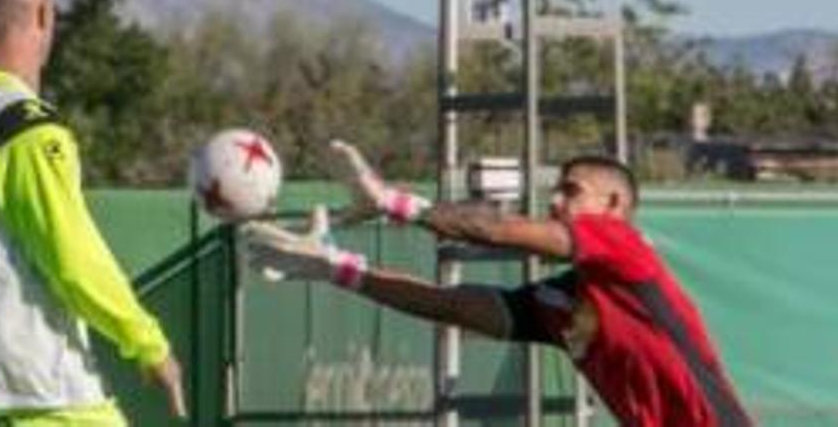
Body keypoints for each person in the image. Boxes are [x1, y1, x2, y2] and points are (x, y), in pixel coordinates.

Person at [243, 140, 753, 427]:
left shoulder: (625, 248)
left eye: (571, 191)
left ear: (614, 207)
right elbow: (457, 306)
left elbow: (499, 232)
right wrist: (342, 271)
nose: (556, 201)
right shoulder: (565, 302)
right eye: (556, 192)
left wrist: (396, 203)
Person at [0, 0, 185, 426]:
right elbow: (74, 258)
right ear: (44, 15)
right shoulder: (20, 127)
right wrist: (148, 345)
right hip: (42, 403)